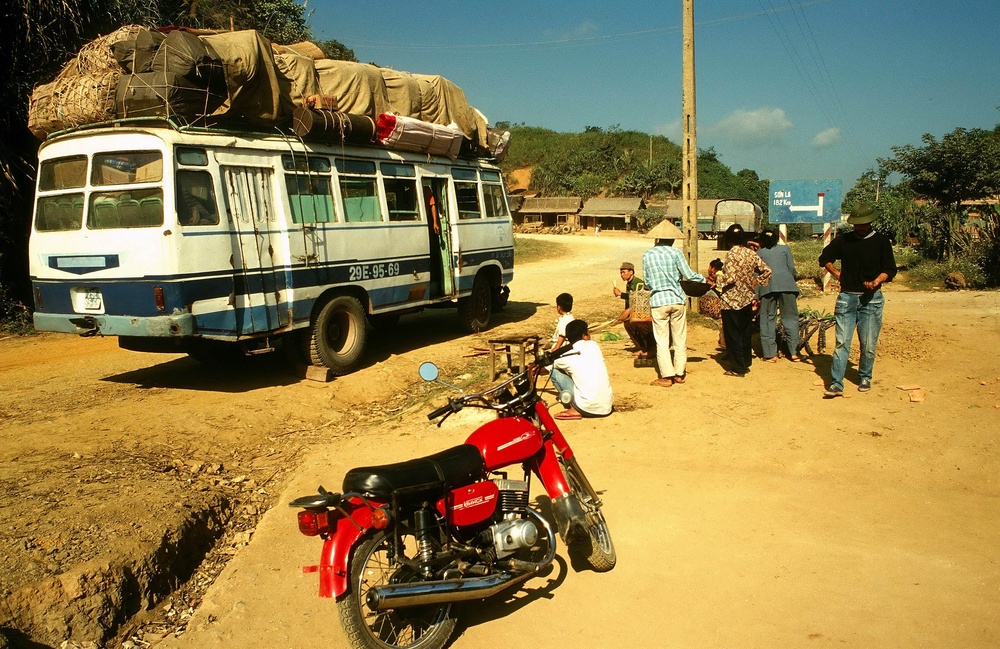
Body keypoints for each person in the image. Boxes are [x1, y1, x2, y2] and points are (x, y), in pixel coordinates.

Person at [818, 202, 897, 395]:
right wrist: (838, 274)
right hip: (847, 298)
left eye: (864, 223)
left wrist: (877, 281)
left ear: (870, 222)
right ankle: (836, 382)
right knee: (842, 342)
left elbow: (890, 269)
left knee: (868, 344)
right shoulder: (844, 240)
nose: (860, 227)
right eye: (857, 224)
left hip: (872, 299)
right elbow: (824, 259)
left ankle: (865, 376)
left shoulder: (881, 241)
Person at [640, 220, 706, 387]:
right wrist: (704, 280)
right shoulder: (676, 253)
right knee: (680, 339)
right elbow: (688, 275)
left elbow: (647, 282)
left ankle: (666, 376)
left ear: (656, 239)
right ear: (672, 240)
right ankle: (679, 373)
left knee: (662, 340)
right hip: (677, 300)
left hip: (658, 302)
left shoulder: (647, 255)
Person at [710, 231, 772, 377]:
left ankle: (737, 368)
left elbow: (730, 278)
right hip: (746, 299)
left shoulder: (732, 253)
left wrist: (716, 281)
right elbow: (767, 271)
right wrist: (755, 282)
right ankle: (745, 363)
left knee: (732, 334)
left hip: (731, 300)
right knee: (745, 332)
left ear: (729, 240)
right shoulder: (751, 253)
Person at [549, 319, 613, 419]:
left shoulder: (567, 355)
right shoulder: (594, 346)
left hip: (585, 408)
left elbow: (548, 366)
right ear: (584, 335)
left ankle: (574, 409)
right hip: (606, 407)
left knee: (554, 372)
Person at [754, 229, 802, 362]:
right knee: (791, 317)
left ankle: (770, 354)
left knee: (767, 319)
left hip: (767, 287)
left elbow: (756, 275)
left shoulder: (759, 253)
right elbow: (791, 269)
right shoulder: (785, 249)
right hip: (787, 285)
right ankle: (794, 352)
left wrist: (755, 296)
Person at [613, 261, 655, 358]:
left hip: (645, 313)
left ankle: (652, 348)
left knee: (641, 325)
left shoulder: (638, 283)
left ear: (631, 272)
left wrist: (621, 294)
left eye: (624, 272)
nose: (622, 275)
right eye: (621, 272)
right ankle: (642, 347)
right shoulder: (629, 283)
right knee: (628, 324)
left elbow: (639, 298)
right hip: (635, 312)